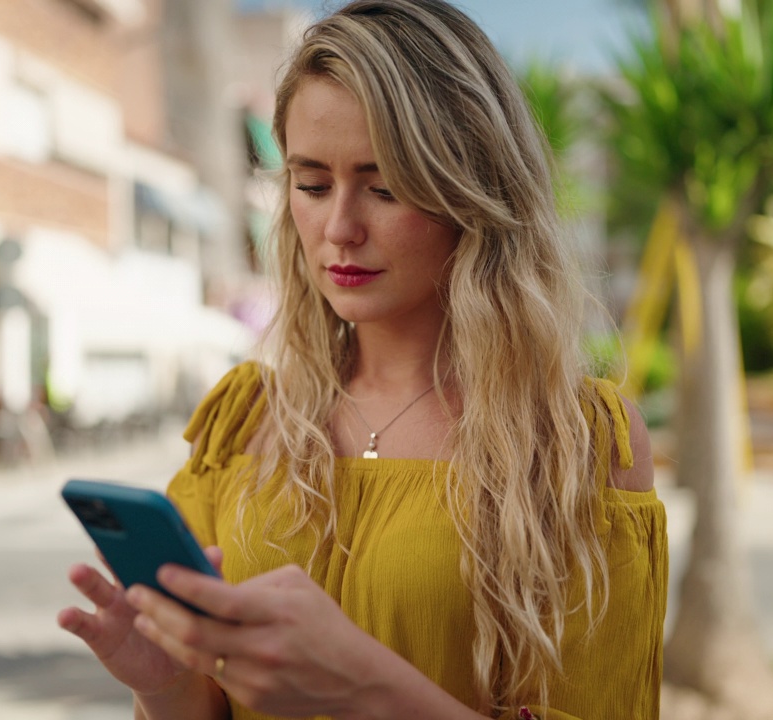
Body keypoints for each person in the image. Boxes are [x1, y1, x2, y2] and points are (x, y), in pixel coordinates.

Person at [57, 1, 667, 717]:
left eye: (384, 188)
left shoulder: (579, 445)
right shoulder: (245, 423)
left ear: (472, 193)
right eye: (311, 185)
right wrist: (166, 686)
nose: (339, 228)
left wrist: (365, 688)